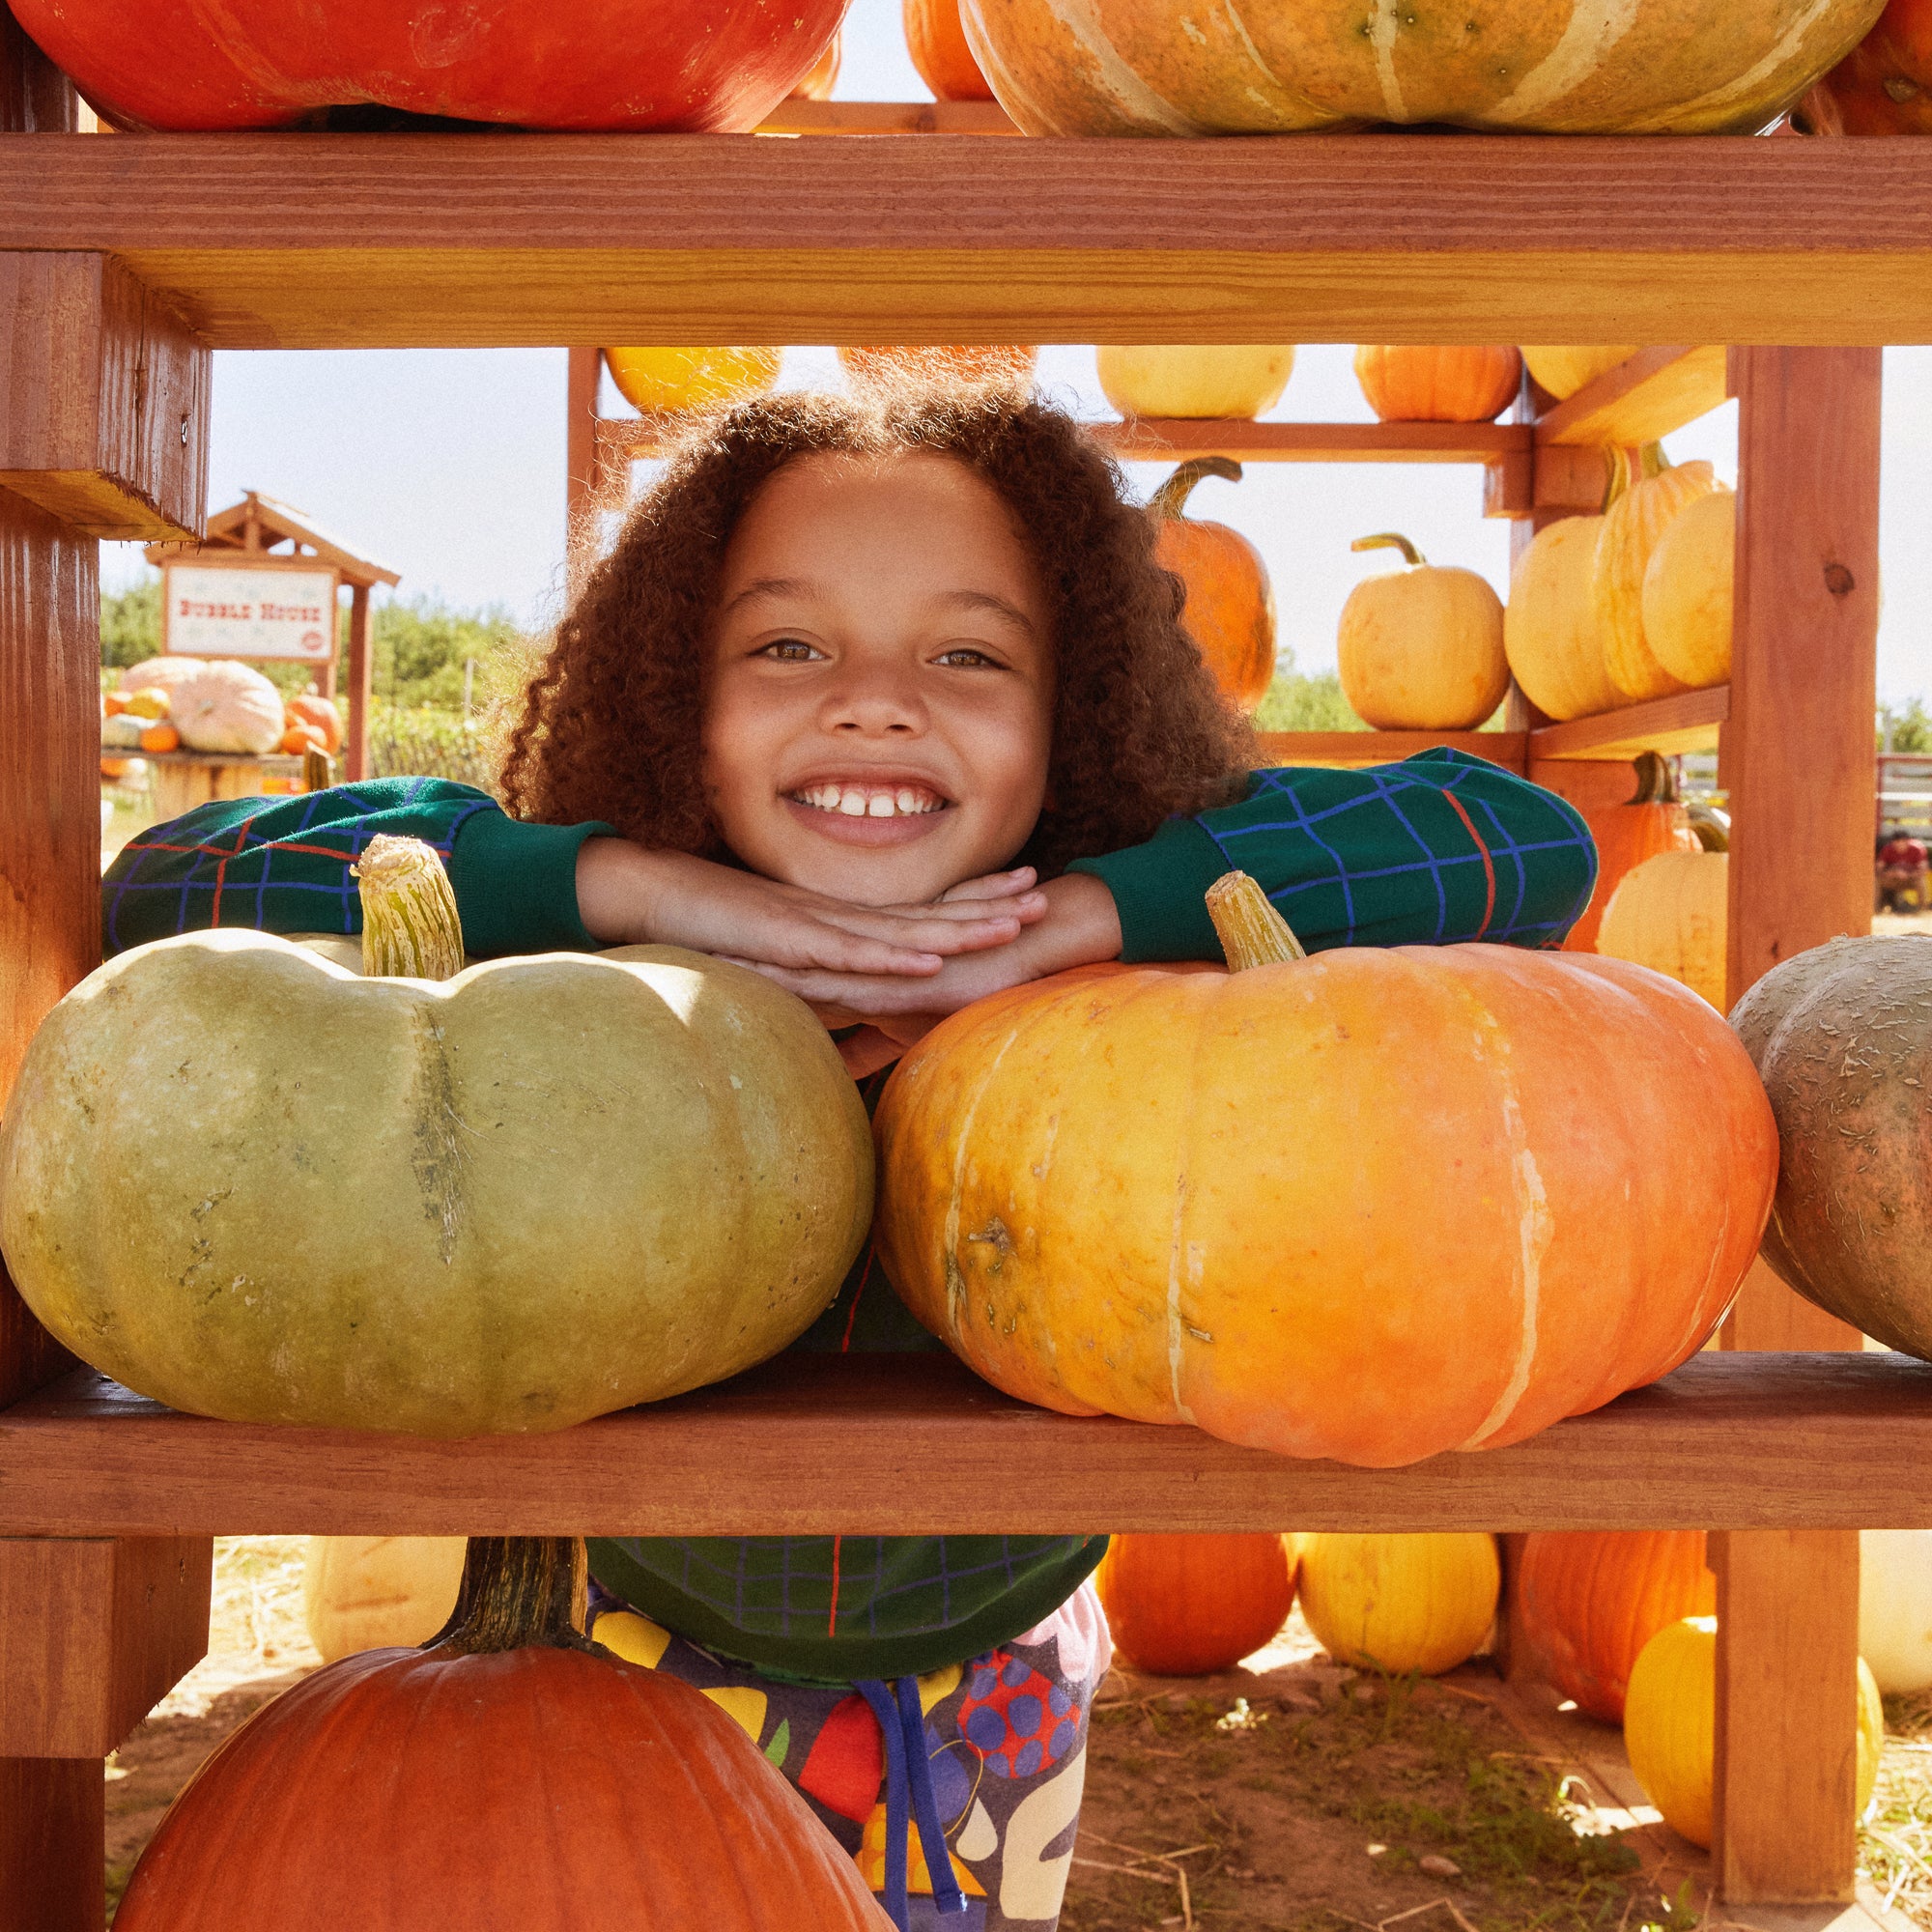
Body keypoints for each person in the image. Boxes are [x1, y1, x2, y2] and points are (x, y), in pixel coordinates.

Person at [102, 387, 1596, 1930]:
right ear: (675, 698)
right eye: (787, 647)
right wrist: (640, 891)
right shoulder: (591, 1001)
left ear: (1074, 713)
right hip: (637, 1646)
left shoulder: (1119, 997)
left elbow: (1521, 840)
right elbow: (172, 879)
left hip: (997, 1657)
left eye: (968, 656)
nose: (877, 704)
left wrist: (1081, 923)